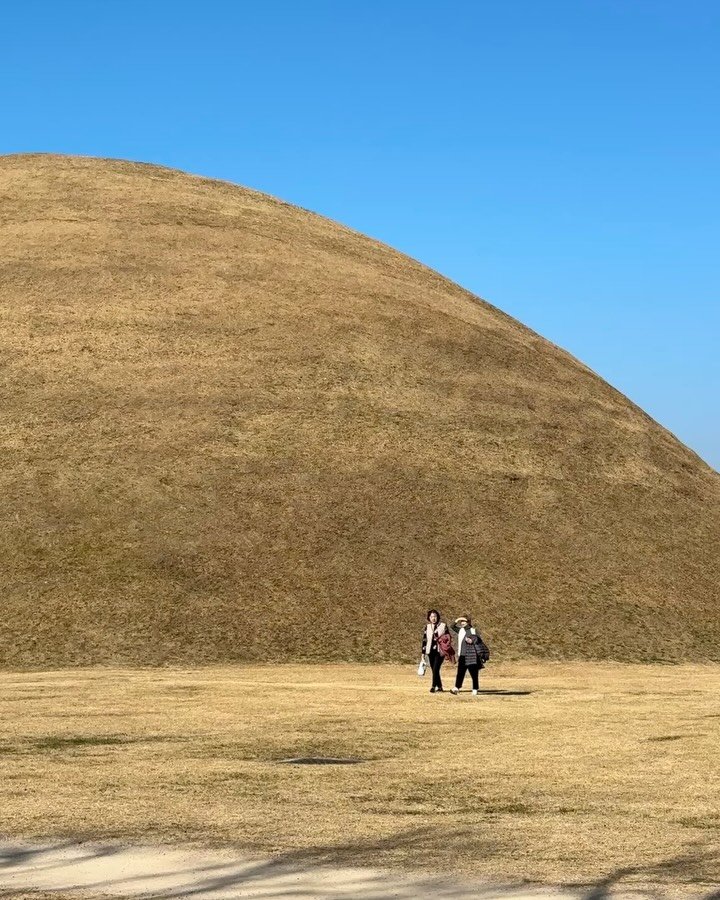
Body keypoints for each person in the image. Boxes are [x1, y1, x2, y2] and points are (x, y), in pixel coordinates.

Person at [450, 615, 488, 696]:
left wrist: (472, 640)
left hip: (472, 655)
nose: (462, 623)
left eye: (464, 621)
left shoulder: (473, 630)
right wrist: (458, 619)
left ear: (468, 622)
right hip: (462, 655)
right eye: (462, 622)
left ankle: (475, 688)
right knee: (460, 672)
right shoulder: (460, 630)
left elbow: (478, 640)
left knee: (474, 673)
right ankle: (457, 687)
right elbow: (452, 626)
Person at [421, 609, 448, 693]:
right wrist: (423, 654)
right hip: (430, 651)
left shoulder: (443, 626)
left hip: (440, 651)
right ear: (429, 618)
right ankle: (439, 686)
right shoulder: (428, 627)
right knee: (434, 669)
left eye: (435, 616)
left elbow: (448, 638)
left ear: (438, 617)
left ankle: (433, 686)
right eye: (431, 616)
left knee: (436, 668)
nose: (433, 618)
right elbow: (424, 640)